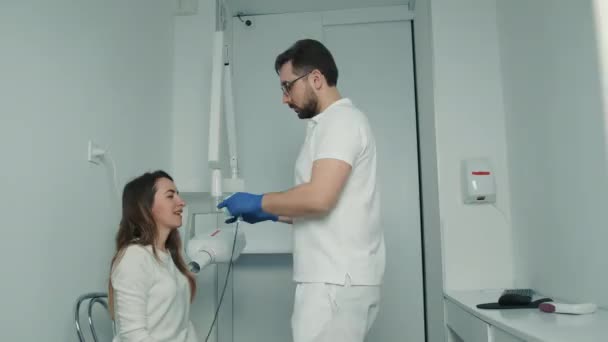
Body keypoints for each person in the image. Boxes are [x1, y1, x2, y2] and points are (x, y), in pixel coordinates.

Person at [218, 39, 385, 342]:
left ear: (316, 79)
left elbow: (319, 198)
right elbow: (323, 208)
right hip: (332, 279)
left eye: (287, 86)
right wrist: (268, 213)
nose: (285, 98)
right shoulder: (327, 126)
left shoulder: (341, 121)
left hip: (335, 281)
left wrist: (261, 202)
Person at [108, 170, 199, 342]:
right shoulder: (134, 257)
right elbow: (133, 336)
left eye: (178, 195)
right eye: (170, 196)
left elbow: (183, 328)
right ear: (146, 206)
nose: (181, 202)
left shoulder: (170, 256)